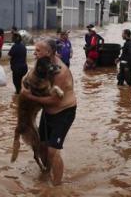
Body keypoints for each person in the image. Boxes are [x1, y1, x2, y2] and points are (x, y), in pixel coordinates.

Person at [21, 39, 77, 185]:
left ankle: (57, 187)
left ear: (49, 52)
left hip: (64, 112)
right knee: (42, 146)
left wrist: (30, 96)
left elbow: (55, 101)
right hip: (48, 113)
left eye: (37, 51)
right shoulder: (41, 64)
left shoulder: (60, 72)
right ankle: (46, 173)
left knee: (53, 151)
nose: (34, 53)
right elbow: (27, 79)